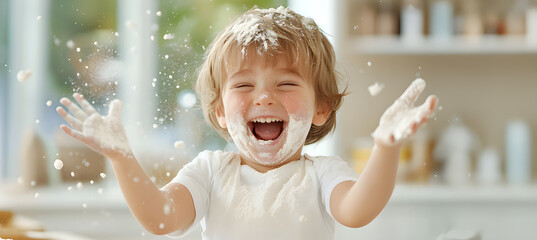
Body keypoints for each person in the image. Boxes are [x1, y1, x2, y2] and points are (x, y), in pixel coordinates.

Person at [56, 6, 437, 240]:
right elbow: (162, 220)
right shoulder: (208, 172)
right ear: (220, 110)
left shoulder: (322, 175)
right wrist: (122, 158)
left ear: (321, 107)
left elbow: (356, 211)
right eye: (243, 85)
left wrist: (386, 149)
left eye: (286, 83)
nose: (264, 97)